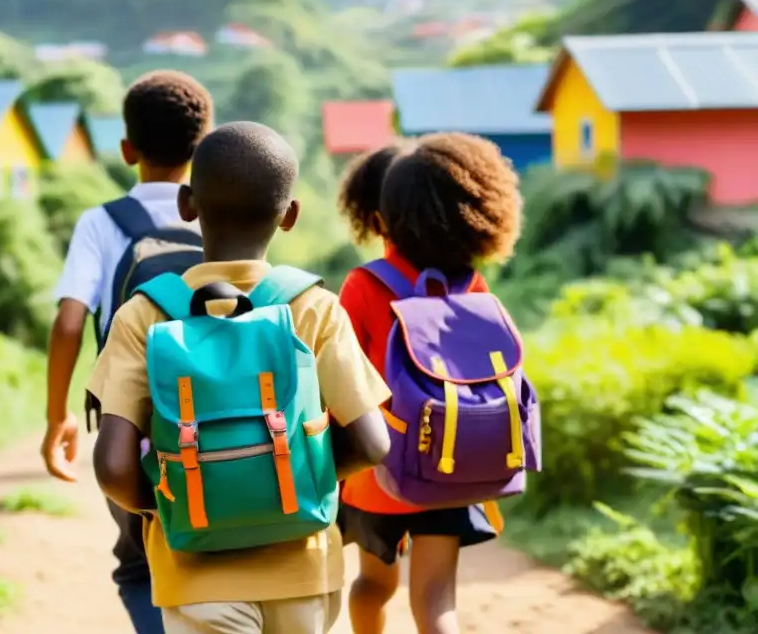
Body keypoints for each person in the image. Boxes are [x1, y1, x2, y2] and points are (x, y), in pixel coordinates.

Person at [90, 121, 393, 634]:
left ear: (188, 204)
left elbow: (115, 467)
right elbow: (371, 444)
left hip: (194, 576)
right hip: (304, 571)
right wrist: (295, 484)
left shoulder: (144, 315)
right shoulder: (314, 308)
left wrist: (177, 500)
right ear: (291, 215)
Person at [42, 70, 214, 633]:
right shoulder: (222, 211)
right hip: (225, 410)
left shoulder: (102, 222)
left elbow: (70, 320)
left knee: (140, 563)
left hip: (133, 422)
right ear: (203, 147)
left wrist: (57, 417)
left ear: (127, 148)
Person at [335, 135, 523, 634]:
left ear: (380, 219)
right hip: (450, 465)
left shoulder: (364, 285)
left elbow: (338, 379)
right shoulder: (470, 284)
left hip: (377, 473)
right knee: (437, 599)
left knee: (373, 587)